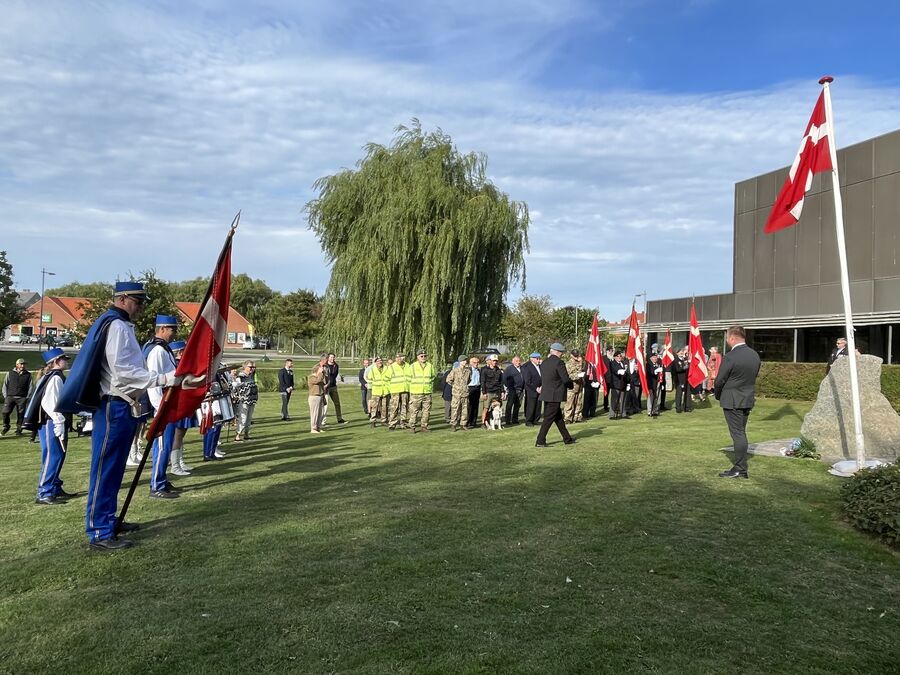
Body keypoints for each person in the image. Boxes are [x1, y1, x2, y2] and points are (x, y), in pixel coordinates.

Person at [55, 281, 185, 551]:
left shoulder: (120, 324)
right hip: (113, 405)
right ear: (122, 299)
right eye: (137, 302)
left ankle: (108, 519)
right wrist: (165, 378)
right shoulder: (115, 325)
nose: (141, 308)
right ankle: (100, 530)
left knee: (113, 470)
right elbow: (123, 371)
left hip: (123, 405)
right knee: (105, 469)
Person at [715, 326, 762, 479]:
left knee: (738, 434)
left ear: (733, 338)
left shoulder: (730, 356)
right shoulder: (755, 355)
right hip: (747, 398)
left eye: (727, 338)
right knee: (740, 432)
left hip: (732, 399)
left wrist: (717, 395)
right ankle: (740, 466)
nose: (727, 341)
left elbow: (719, 380)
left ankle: (740, 468)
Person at [143, 315, 179, 498]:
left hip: (168, 403)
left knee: (166, 444)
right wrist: (159, 408)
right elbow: (153, 380)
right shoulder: (157, 350)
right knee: (162, 445)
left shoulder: (164, 350)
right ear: (162, 329)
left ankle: (162, 479)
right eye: (173, 329)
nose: (175, 333)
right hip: (162, 405)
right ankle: (156, 484)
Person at [31, 348, 73, 504]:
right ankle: (44, 491)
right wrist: (58, 420)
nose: (66, 361)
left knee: (58, 455)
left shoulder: (51, 376)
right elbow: (49, 403)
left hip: (52, 420)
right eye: (63, 359)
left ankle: (54, 487)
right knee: (52, 455)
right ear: (56, 362)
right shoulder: (55, 377)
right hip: (51, 421)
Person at [535, 343, 576, 447]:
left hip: (547, 394)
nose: (562, 354)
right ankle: (540, 440)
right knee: (548, 418)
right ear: (558, 352)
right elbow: (565, 379)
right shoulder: (559, 363)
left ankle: (567, 438)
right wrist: (571, 385)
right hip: (555, 394)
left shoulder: (544, 363)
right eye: (561, 352)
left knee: (558, 418)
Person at [2, 357, 33, 436]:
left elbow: (30, 386)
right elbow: (5, 385)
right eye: (21, 364)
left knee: (21, 414)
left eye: (24, 364)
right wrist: (6, 396)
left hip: (22, 398)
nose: (23, 366)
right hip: (10, 397)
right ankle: (6, 426)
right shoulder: (10, 373)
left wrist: (27, 397)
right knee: (5, 412)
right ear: (17, 365)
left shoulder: (28, 375)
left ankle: (19, 430)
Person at [407, 349, 436, 433]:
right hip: (416, 392)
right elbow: (408, 378)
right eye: (421, 356)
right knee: (414, 411)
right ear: (417, 357)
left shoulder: (430, 366)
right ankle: (412, 427)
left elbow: (433, 376)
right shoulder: (412, 366)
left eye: (425, 356)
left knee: (426, 411)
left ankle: (424, 426)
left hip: (427, 392)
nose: (423, 357)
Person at [233, 361, 258, 441]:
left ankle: (246, 434)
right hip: (244, 400)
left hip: (252, 399)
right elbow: (236, 387)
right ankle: (238, 435)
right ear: (245, 367)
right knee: (243, 418)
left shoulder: (251, 376)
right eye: (250, 367)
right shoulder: (241, 376)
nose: (252, 369)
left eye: (253, 367)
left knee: (249, 418)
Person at [445, 355, 472, 431]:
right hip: (457, 393)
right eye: (463, 360)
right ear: (460, 361)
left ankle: (463, 424)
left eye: (466, 360)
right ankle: (453, 424)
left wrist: (464, 387)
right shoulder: (455, 370)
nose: (465, 362)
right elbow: (448, 380)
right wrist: (455, 386)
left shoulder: (468, 371)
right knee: (455, 409)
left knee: (465, 409)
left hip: (465, 393)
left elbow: (469, 380)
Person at [480, 353, 504, 428]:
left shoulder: (498, 370)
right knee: (486, 408)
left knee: (498, 407)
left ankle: (497, 422)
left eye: (496, 361)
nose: (495, 362)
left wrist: (502, 392)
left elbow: (501, 382)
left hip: (497, 391)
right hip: (488, 391)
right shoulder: (485, 370)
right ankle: (483, 423)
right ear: (490, 361)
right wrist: (484, 392)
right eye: (493, 361)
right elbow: (482, 381)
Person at [324, 353, 347, 424]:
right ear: (328, 358)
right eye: (331, 357)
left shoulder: (336, 366)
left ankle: (339, 419)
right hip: (326, 388)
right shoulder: (325, 365)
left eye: (333, 357)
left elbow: (335, 375)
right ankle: (323, 421)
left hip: (333, 387)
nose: (332, 359)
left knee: (337, 403)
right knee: (325, 404)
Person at [367, 356, 390, 427]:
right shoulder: (373, 369)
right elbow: (369, 379)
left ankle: (384, 420)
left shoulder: (386, 368)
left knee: (384, 407)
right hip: (376, 391)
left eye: (381, 361)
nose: (380, 362)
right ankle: (373, 421)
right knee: (374, 407)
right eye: (378, 361)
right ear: (375, 362)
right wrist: (370, 388)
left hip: (385, 391)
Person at [564, 350, 585, 423]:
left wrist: (581, 362)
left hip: (580, 385)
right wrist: (578, 376)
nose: (576, 357)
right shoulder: (568, 363)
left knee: (579, 402)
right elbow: (569, 375)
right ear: (571, 355)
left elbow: (581, 370)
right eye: (575, 355)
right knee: (569, 403)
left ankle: (577, 416)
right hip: (572, 385)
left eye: (577, 355)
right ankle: (568, 418)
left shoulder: (580, 363)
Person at [522, 352, 543, 427]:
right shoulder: (527, 367)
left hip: (540, 388)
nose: (538, 360)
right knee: (531, 406)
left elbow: (542, 377)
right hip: (531, 389)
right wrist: (536, 388)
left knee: (538, 405)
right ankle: (529, 421)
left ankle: (536, 419)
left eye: (539, 358)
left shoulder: (540, 366)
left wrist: (541, 387)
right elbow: (528, 381)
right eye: (537, 358)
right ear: (532, 359)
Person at [307, 355, 327, 433]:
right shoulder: (311, 377)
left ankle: (318, 427)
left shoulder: (319, 377)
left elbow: (323, 382)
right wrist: (319, 373)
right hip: (314, 397)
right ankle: (313, 428)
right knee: (314, 413)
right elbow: (318, 381)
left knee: (320, 413)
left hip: (320, 396)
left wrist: (323, 374)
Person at [503, 355, 524, 426]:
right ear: (513, 362)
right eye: (516, 361)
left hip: (520, 390)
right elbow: (504, 379)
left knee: (517, 405)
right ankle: (507, 420)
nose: (518, 362)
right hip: (512, 390)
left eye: (519, 361)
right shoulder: (509, 369)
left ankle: (515, 419)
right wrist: (509, 387)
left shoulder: (522, 368)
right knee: (509, 405)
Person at [607, 351, 629, 420]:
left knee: (623, 400)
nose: (619, 357)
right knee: (614, 400)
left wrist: (628, 383)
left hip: (623, 384)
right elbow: (614, 370)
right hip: (615, 384)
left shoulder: (623, 363)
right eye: (617, 356)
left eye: (620, 356)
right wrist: (619, 371)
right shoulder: (612, 363)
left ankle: (623, 413)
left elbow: (627, 374)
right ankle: (612, 414)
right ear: (614, 357)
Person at [671, 347, 692, 413]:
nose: (681, 353)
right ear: (677, 353)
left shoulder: (685, 360)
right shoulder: (675, 360)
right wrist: (684, 368)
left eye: (682, 352)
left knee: (687, 394)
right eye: (680, 352)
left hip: (686, 379)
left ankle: (687, 407)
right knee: (679, 394)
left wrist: (688, 364)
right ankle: (678, 408)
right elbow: (677, 369)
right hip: (679, 380)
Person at [646, 353, 664, 417]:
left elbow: (661, 374)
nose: (655, 358)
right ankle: (650, 410)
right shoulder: (648, 365)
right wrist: (655, 371)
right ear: (651, 358)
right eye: (653, 357)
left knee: (657, 397)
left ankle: (655, 410)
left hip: (658, 383)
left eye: (656, 357)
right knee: (651, 397)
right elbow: (649, 372)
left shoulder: (658, 364)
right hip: (651, 383)